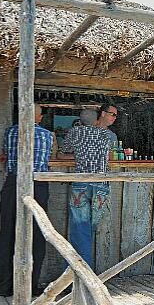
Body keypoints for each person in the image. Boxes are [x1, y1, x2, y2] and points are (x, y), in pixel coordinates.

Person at [0, 103, 57, 297]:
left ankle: (4, 285)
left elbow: (6, 155)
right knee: (37, 234)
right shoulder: (47, 135)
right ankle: (30, 284)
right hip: (37, 184)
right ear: (38, 117)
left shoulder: (10, 132)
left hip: (13, 183)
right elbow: (49, 158)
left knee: (8, 232)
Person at [60, 109, 113, 270]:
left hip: (81, 185)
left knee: (79, 231)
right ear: (97, 120)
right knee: (88, 231)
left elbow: (61, 154)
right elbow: (109, 157)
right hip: (101, 186)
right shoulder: (106, 135)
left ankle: (78, 277)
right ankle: (81, 275)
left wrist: (79, 156)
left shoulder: (74, 132)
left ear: (80, 120)